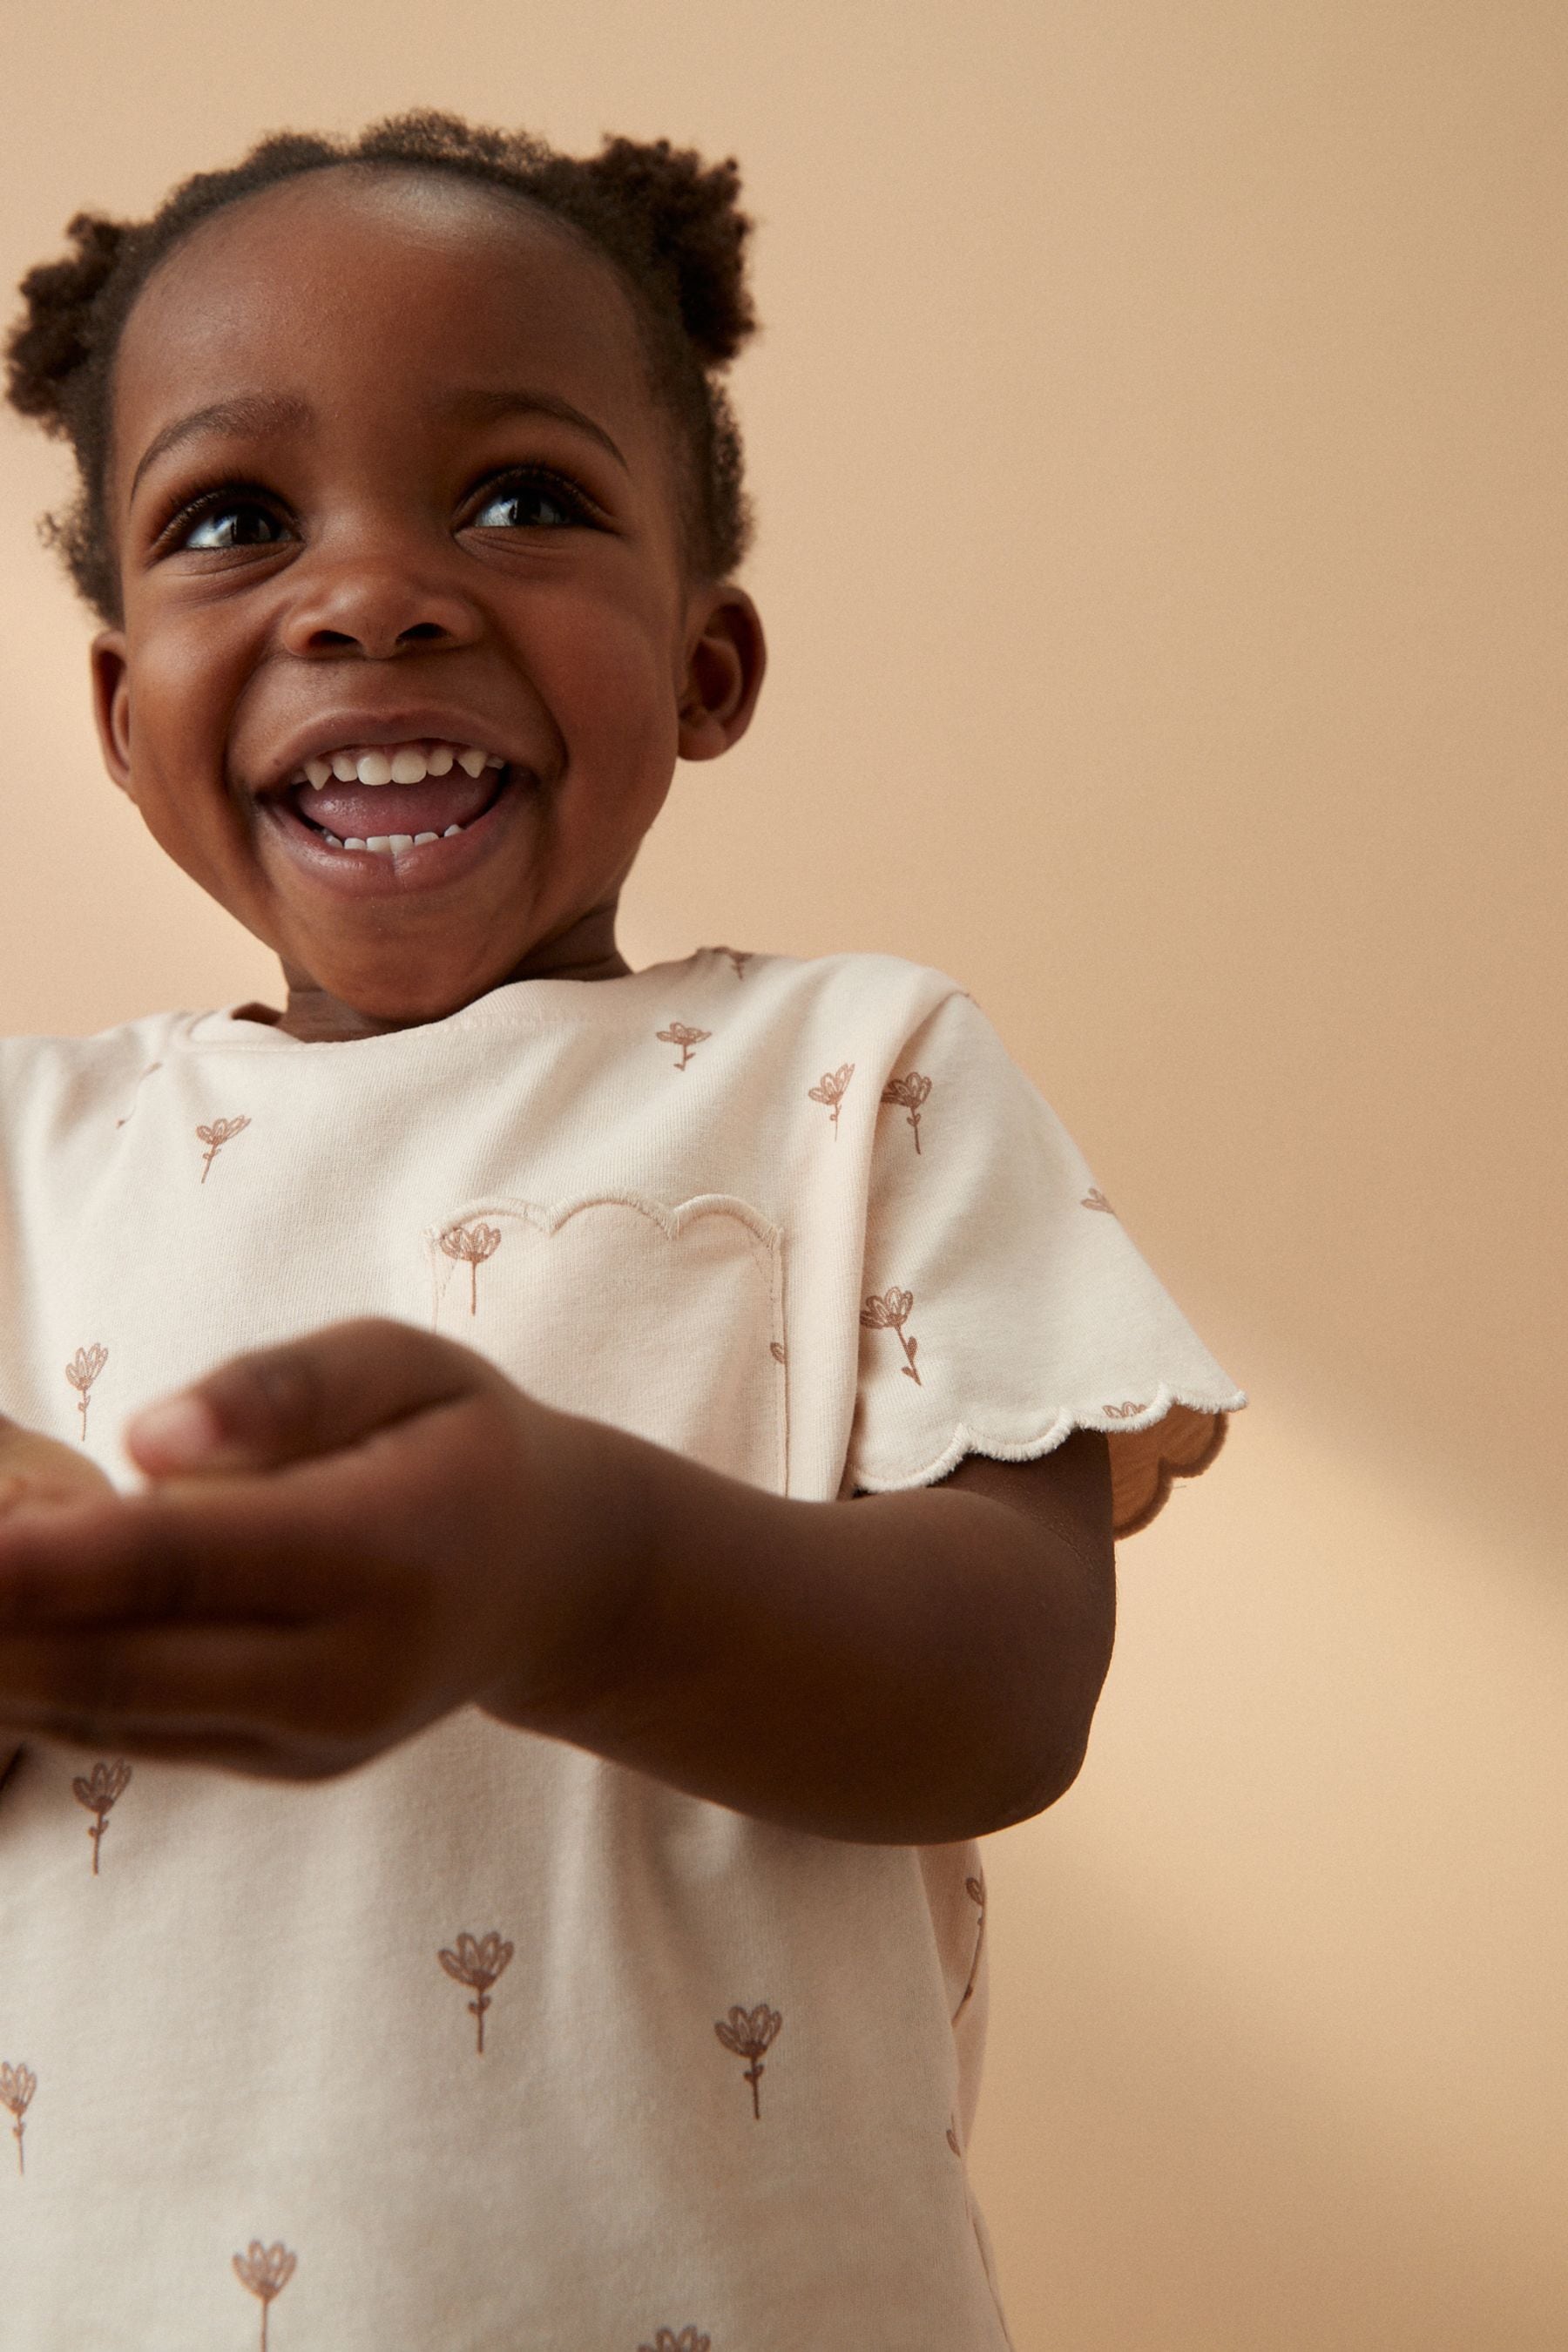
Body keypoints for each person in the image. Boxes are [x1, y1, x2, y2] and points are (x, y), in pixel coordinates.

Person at [0, 113, 1244, 2349]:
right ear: (117, 713)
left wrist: (573, 1571)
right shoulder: (23, 1150)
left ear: (706, 662)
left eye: (519, 500)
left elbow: (1006, 1690)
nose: (371, 590)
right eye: (235, 520)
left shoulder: (866, 1076)